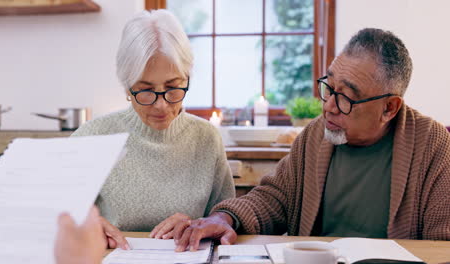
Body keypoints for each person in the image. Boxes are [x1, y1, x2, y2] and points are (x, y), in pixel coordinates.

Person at [172, 28, 450, 252]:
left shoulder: (433, 147)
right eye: (329, 88)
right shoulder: (316, 135)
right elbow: (273, 199)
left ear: (389, 108)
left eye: (345, 98)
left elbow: (442, 246)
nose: (328, 105)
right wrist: (225, 218)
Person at [71, 9, 235, 249]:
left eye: (173, 87)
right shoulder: (93, 136)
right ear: (127, 87)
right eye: (145, 90)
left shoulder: (206, 137)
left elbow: (225, 219)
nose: (161, 104)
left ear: (187, 78)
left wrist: (201, 224)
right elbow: (51, 214)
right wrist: (86, 222)